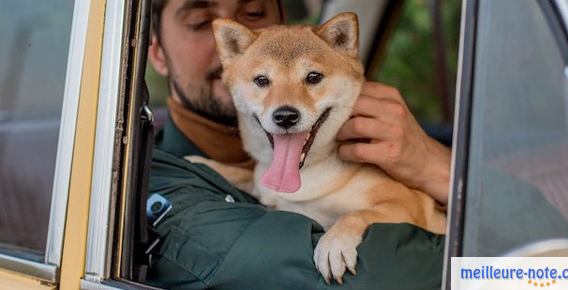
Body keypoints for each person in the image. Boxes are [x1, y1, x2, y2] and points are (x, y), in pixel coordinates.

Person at [145, 0, 451, 289]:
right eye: (200, 22)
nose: (286, 104)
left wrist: (436, 169)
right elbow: (367, 281)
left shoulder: (374, 158)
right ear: (156, 53)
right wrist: (495, 270)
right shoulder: (155, 180)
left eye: (253, 14)